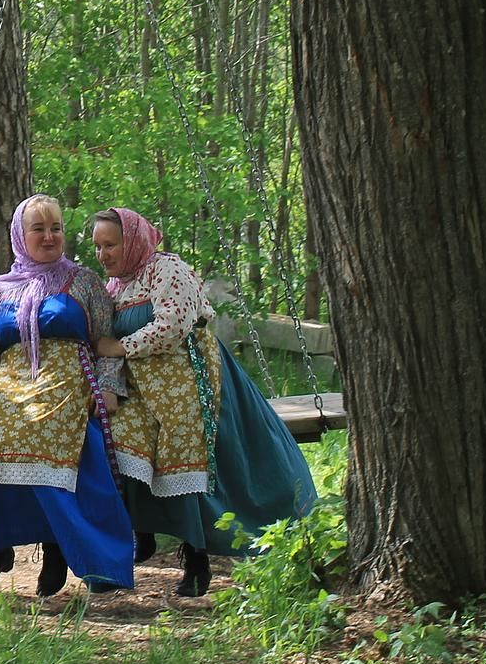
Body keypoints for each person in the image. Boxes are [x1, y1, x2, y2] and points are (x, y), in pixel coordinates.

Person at [88, 206, 318, 597]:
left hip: (190, 379)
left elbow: (173, 326)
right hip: (142, 389)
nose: (103, 254)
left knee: (187, 457)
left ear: (133, 241)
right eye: (97, 247)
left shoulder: (167, 270)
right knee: (120, 445)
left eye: (110, 245)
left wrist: (120, 346)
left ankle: (196, 560)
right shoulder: (115, 287)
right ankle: (136, 537)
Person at [0, 195, 136, 595]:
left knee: (45, 440)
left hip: (66, 382)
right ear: (20, 237)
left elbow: (105, 342)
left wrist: (107, 389)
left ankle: (58, 548)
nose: (49, 236)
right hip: (9, 388)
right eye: (38, 229)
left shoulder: (85, 283)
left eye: (55, 228)